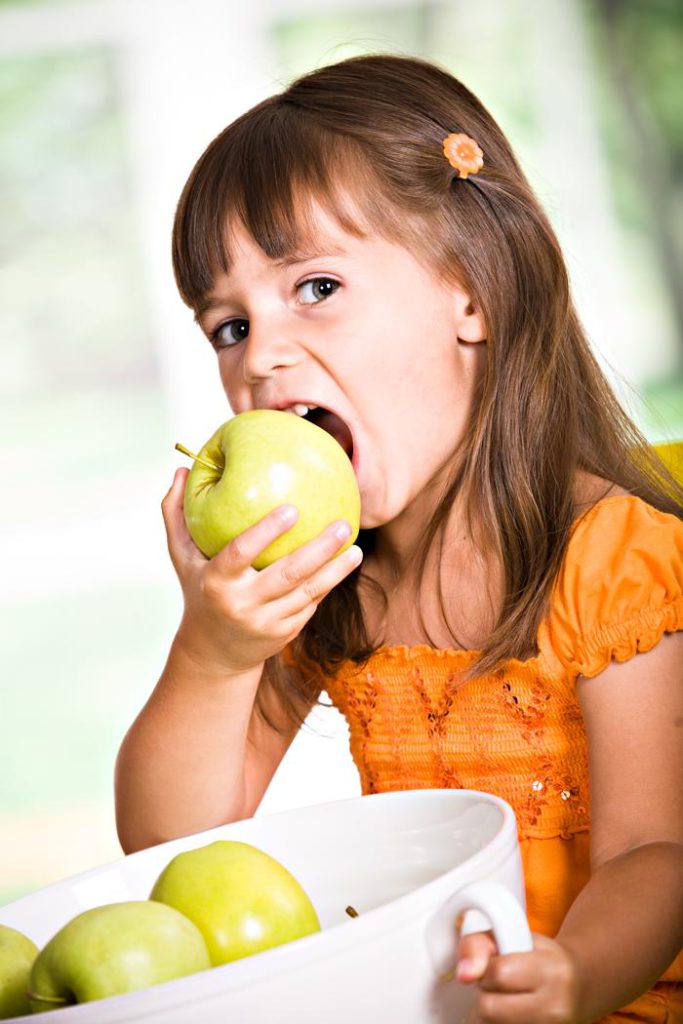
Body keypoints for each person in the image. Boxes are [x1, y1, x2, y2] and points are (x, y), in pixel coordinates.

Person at [114, 54, 683, 1022]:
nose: (261, 355)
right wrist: (211, 655)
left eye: (316, 287)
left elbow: (654, 853)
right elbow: (172, 846)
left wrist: (571, 976)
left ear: (471, 293)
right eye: (226, 327)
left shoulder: (609, 561)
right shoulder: (328, 580)